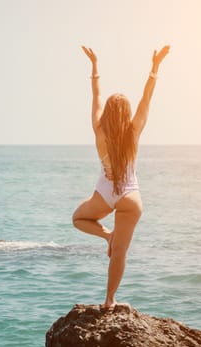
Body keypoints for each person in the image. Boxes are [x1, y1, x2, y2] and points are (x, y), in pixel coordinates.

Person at [72, 44, 170, 309]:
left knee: (78, 218)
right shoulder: (134, 131)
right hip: (130, 195)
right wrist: (155, 67)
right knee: (120, 253)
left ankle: (107, 236)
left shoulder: (98, 130)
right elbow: (146, 99)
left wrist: (94, 66)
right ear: (126, 114)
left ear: (108, 113)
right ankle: (109, 300)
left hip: (105, 193)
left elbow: (96, 95)